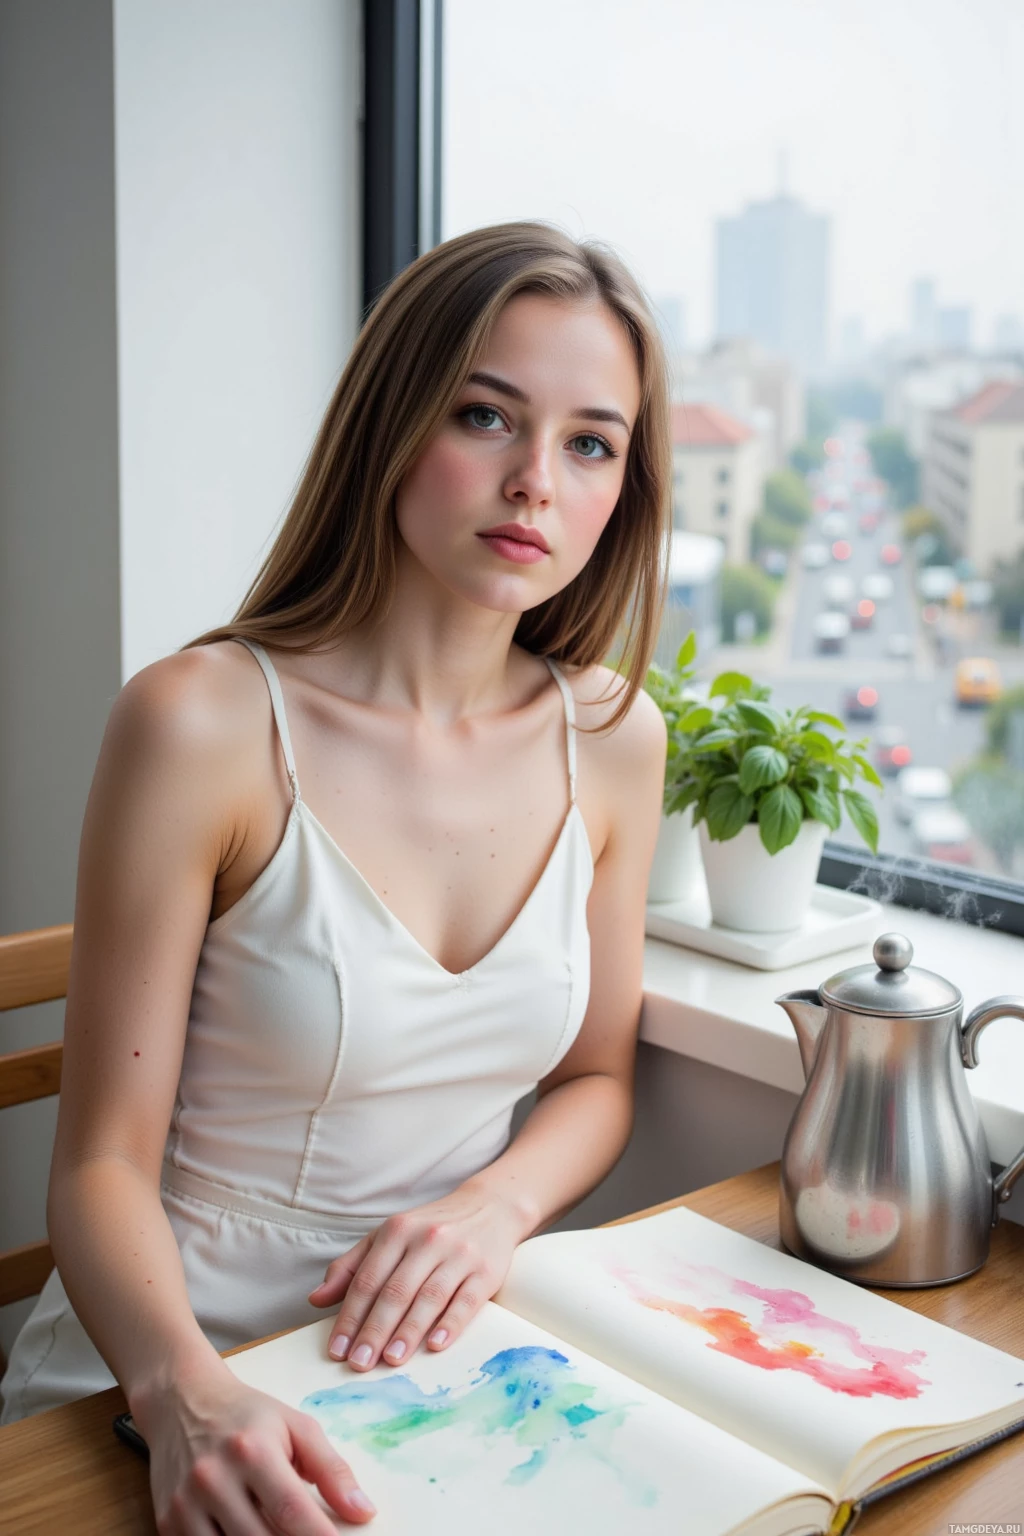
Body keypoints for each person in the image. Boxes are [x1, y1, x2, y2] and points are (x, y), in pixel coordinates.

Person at [0, 221, 670, 1533]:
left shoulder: (616, 739)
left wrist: (493, 1206)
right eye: (488, 416)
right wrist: (185, 1394)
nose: (537, 481)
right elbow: (96, 1169)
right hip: (165, 1379)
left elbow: (596, 1079)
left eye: (592, 441)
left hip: (440, 1381)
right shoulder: (199, 723)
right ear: (392, 422)